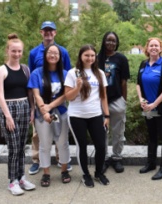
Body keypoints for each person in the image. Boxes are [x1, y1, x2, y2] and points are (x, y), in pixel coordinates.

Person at [28, 21, 72, 175]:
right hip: (42, 108)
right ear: (41, 32)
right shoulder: (34, 53)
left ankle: (63, 162)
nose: (48, 33)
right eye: (45, 30)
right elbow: (34, 86)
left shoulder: (63, 52)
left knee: (62, 140)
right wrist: (41, 109)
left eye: (51, 30)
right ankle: (37, 163)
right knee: (40, 140)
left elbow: (68, 85)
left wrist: (50, 106)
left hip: (60, 108)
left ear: (55, 32)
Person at [0, 33, 36, 196]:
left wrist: (32, 109)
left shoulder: (25, 69)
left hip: (25, 107)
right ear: (8, 51)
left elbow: (30, 92)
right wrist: (8, 116)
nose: (17, 54)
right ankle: (12, 181)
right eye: (14, 51)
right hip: (9, 110)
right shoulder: (1, 70)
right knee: (13, 147)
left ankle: (21, 178)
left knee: (21, 147)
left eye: (19, 51)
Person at [65, 45, 110, 188]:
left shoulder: (100, 73)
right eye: (87, 55)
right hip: (77, 116)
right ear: (80, 56)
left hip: (96, 115)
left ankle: (98, 173)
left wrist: (107, 115)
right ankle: (85, 174)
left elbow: (103, 97)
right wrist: (77, 87)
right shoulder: (73, 73)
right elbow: (68, 97)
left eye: (92, 55)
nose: (90, 58)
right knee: (82, 146)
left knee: (101, 146)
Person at [136, 37, 162, 180]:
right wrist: (141, 99)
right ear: (147, 48)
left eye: (156, 45)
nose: (154, 48)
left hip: (161, 108)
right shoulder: (143, 64)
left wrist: (154, 104)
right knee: (151, 135)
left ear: (161, 48)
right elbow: (138, 83)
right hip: (147, 108)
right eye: (151, 45)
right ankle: (151, 163)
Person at [98, 32, 130, 173]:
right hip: (99, 101)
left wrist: (124, 101)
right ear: (104, 41)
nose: (110, 43)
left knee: (118, 132)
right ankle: (103, 158)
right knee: (102, 132)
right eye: (108, 40)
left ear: (117, 43)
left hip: (117, 100)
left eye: (113, 41)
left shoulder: (121, 59)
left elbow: (124, 82)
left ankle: (117, 158)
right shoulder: (97, 58)